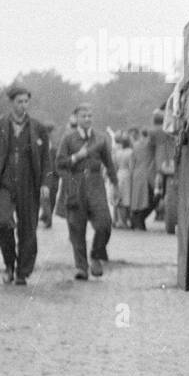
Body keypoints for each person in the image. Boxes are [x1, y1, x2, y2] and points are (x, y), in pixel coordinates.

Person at [0, 84, 52, 285]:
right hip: (4, 182)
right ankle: (9, 264)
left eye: (26, 101)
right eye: (19, 101)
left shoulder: (38, 128)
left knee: (28, 229)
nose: (23, 105)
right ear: (11, 103)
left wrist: (46, 183)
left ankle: (23, 271)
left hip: (29, 184)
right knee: (2, 221)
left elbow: (46, 159)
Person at [56, 102, 117, 280]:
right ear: (76, 118)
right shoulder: (68, 139)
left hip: (96, 184)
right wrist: (76, 157)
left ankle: (96, 256)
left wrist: (115, 184)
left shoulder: (101, 138)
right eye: (84, 116)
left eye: (90, 115)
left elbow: (109, 163)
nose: (87, 119)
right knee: (76, 227)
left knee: (104, 223)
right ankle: (81, 267)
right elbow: (59, 163)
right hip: (75, 184)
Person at [128, 125, 156, 230]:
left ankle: (136, 222)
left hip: (136, 174)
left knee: (137, 200)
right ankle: (140, 222)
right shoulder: (149, 145)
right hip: (147, 175)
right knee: (147, 200)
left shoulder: (135, 145)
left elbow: (132, 161)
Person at [39, 122, 59, 229]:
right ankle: (48, 218)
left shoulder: (54, 148)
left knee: (52, 197)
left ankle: (46, 215)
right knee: (45, 198)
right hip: (45, 176)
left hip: (54, 176)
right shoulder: (41, 147)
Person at [113, 134, 133, 228]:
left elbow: (115, 165)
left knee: (118, 199)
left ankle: (117, 220)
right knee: (126, 200)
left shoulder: (117, 152)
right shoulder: (130, 152)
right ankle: (124, 222)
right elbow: (131, 166)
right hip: (127, 175)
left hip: (119, 174)